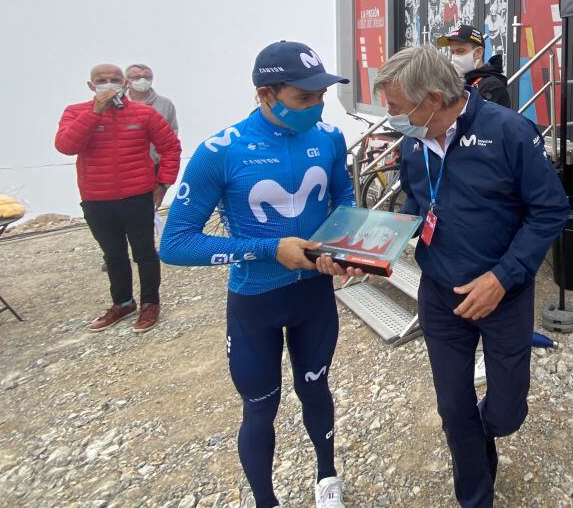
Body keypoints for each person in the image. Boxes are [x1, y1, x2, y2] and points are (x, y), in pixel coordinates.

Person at [160, 41, 356, 508]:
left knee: (316, 389)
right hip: (255, 302)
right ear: (266, 94)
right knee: (260, 407)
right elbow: (176, 244)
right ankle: (265, 501)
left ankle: (326, 477)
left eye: (320, 97)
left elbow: (344, 198)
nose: (317, 107)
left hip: (314, 295)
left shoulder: (328, 137)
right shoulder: (220, 151)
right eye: (303, 99)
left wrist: (346, 247)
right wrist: (270, 249)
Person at [375, 45, 568, 508]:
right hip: (440, 295)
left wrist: (502, 277)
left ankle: (483, 434)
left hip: (502, 295)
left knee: (506, 413)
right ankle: (475, 497)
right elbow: (417, 204)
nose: (391, 119)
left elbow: (550, 211)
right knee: (452, 407)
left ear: (434, 99)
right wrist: (377, 245)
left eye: (397, 109)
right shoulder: (412, 142)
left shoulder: (509, 132)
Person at [55, 64, 181, 333]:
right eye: (101, 80)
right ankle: (123, 303)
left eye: (114, 79)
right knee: (113, 255)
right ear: (91, 86)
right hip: (96, 199)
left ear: (124, 84)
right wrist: (94, 113)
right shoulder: (75, 112)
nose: (108, 83)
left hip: (137, 196)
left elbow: (170, 147)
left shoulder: (144, 113)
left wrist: (164, 183)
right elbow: (66, 146)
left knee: (145, 253)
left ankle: (150, 304)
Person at [436, 24, 511, 108]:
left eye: (460, 51)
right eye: (452, 52)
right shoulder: (462, 81)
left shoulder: (491, 87)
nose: (454, 57)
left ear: (478, 52)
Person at [126, 63, 179, 167]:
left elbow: (172, 133)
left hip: (154, 165)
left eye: (147, 77)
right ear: (126, 81)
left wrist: (159, 158)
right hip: (125, 166)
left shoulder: (165, 103)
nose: (143, 80)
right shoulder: (117, 104)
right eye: (137, 77)